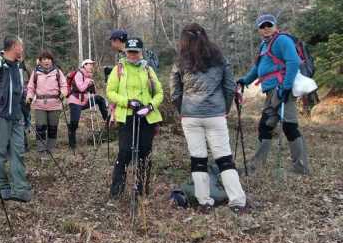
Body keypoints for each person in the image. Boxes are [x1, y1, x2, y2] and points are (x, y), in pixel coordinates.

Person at [170, 23, 246, 212]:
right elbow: (230, 87)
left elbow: (174, 93)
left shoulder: (180, 62)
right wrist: (225, 109)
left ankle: (204, 202)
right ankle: (237, 201)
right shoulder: (219, 59)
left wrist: (184, 111)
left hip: (190, 117)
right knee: (225, 158)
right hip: (215, 115)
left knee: (198, 159)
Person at [237, 14, 310, 175]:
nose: (266, 29)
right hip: (272, 91)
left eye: (269, 25)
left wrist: (286, 87)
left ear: (275, 26)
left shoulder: (282, 41)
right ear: (259, 30)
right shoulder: (264, 45)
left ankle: (301, 167)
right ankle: (257, 165)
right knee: (265, 126)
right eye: (262, 27)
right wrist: (244, 80)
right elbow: (258, 68)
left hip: (282, 89)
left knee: (289, 126)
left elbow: (293, 62)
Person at [106, 38, 163, 199]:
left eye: (135, 52)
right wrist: (127, 102)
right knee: (124, 153)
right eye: (130, 52)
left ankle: (141, 192)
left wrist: (150, 106)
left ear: (141, 52)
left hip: (146, 117)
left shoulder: (148, 70)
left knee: (145, 154)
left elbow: (159, 93)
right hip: (126, 116)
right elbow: (110, 91)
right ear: (126, 52)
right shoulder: (119, 69)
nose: (132, 55)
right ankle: (116, 193)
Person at [0, 35, 32, 202]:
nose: (22, 50)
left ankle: (20, 189)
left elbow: (20, 92)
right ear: (14, 46)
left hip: (17, 117)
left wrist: (26, 113)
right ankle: (3, 186)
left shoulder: (19, 66)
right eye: (21, 46)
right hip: (0, 117)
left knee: (19, 152)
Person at [26, 50, 68, 157]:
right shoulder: (35, 72)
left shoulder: (57, 71)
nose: (47, 61)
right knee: (40, 127)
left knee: (53, 127)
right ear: (40, 61)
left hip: (55, 104)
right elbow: (31, 87)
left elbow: (64, 85)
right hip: (40, 104)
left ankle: (50, 149)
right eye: (44, 59)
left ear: (52, 60)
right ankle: (41, 150)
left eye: (49, 59)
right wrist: (29, 97)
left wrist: (63, 93)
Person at [67, 59, 109, 151]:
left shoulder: (88, 76)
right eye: (89, 65)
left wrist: (92, 86)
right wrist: (88, 82)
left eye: (92, 65)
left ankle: (108, 121)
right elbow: (81, 88)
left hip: (85, 100)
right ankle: (72, 145)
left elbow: (92, 92)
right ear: (84, 66)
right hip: (75, 101)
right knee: (74, 123)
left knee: (100, 99)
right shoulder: (79, 74)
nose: (91, 67)